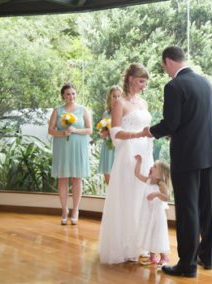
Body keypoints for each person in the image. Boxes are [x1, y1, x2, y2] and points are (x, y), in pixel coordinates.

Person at [137, 46, 212, 277]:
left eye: (164, 66)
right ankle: (207, 257)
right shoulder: (206, 83)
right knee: (206, 208)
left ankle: (187, 265)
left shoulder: (174, 86)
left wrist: (150, 131)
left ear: (168, 61)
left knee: (187, 210)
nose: (165, 70)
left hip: (187, 155)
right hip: (207, 153)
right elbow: (196, 119)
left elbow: (171, 123)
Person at [99, 63, 154, 264]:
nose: (143, 86)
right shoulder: (119, 103)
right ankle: (124, 245)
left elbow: (146, 127)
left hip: (145, 153)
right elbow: (115, 132)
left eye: (145, 82)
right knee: (128, 197)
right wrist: (138, 134)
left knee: (142, 197)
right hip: (128, 153)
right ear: (131, 79)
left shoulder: (144, 103)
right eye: (141, 81)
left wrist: (149, 135)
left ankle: (140, 245)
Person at [48, 83, 92, 225]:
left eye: (73, 93)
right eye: (68, 94)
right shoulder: (57, 110)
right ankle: (64, 210)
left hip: (78, 147)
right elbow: (50, 130)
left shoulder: (83, 109)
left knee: (76, 179)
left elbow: (89, 130)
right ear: (63, 96)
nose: (71, 96)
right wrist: (62, 133)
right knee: (62, 179)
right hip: (62, 147)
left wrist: (74, 130)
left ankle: (76, 210)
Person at [134, 154, 171, 267]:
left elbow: (167, 197)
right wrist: (139, 162)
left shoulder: (161, 184)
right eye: (152, 165)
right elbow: (137, 175)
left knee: (158, 235)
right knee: (149, 233)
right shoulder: (149, 180)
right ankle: (152, 257)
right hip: (148, 213)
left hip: (157, 215)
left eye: (155, 167)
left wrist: (156, 194)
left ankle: (164, 257)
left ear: (161, 174)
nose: (151, 167)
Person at [97, 85, 123, 184]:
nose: (116, 99)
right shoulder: (106, 113)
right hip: (108, 146)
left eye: (118, 96)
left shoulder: (124, 112)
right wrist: (106, 131)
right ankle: (111, 197)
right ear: (110, 98)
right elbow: (102, 135)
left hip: (119, 146)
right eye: (114, 96)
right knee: (108, 174)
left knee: (119, 174)